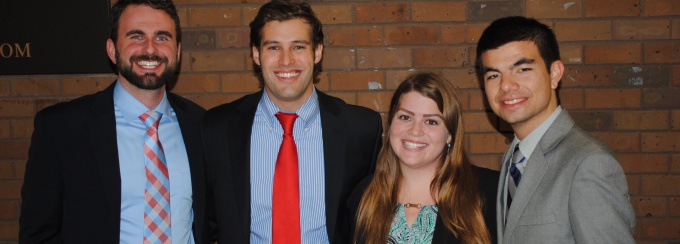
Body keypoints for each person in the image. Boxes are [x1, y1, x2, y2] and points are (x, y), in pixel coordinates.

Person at [19, 0, 208, 243]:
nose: (150, 49)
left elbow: (210, 218)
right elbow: (38, 234)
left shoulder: (201, 124)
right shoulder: (61, 129)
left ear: (178, 50)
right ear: (112, 49)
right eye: (136, 37)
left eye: (162, 38)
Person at [202, 0, 383, 243]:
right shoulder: (217, 129)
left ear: (317, 52)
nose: (286, 60)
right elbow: (204, 221)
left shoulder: (361, 129)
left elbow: (370, 221)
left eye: (298, 47)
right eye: (273, 47)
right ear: (256, 54)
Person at [476, 16, 635, 243]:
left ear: (555, 74)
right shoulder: (513, 159)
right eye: (494, 75)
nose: (506, 85)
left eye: (522, 69)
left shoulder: (589, 163)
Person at [350, 72, 498, 244]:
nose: (415, 131)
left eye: (431, 121)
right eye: (405, 117)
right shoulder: (364, 195)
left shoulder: (488, 192)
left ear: (450, 134)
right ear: (391, 123)